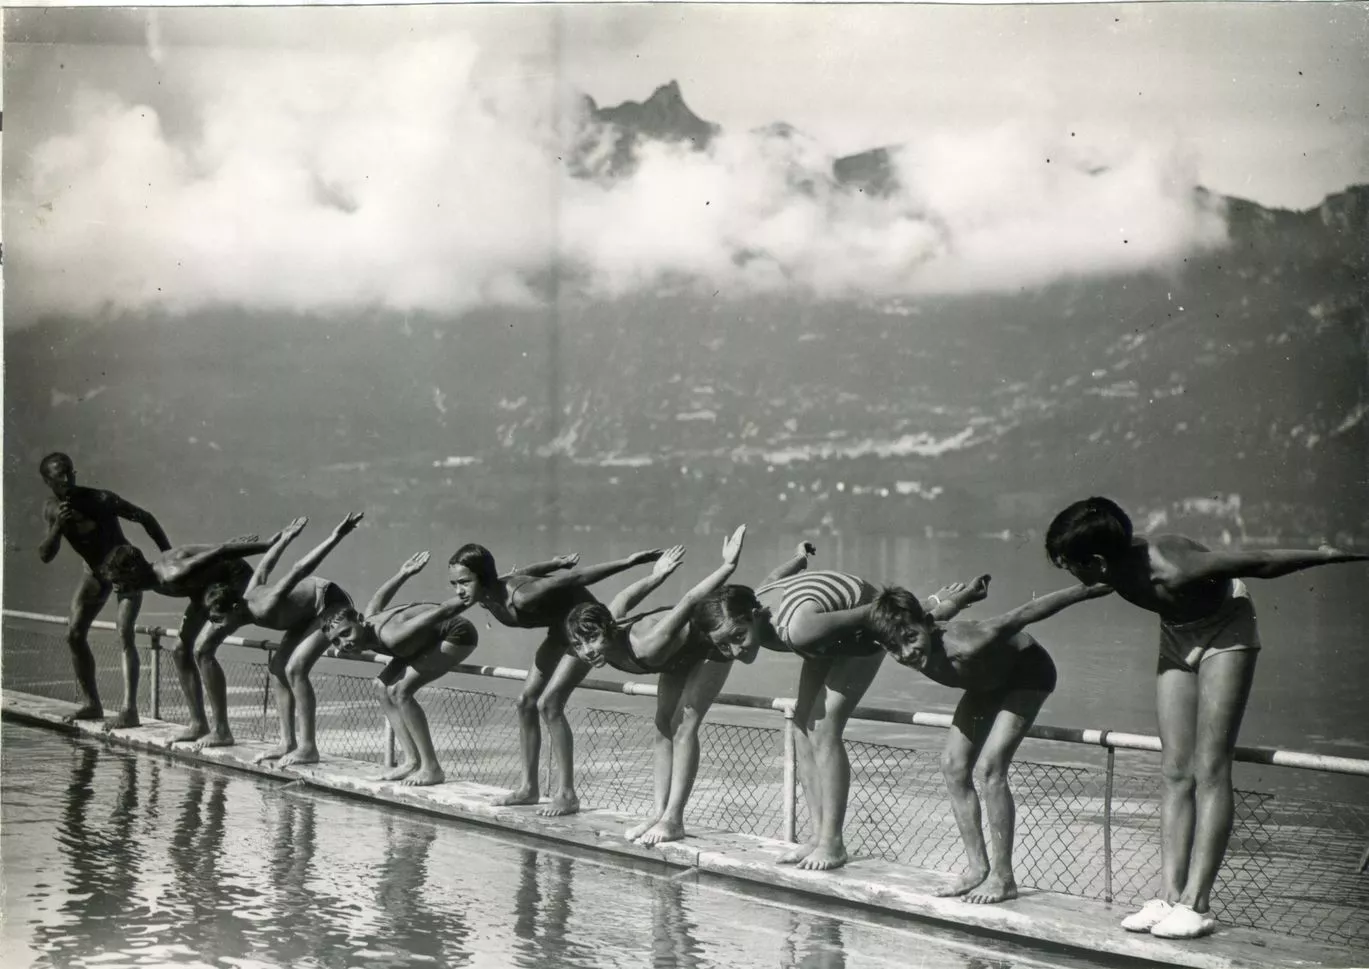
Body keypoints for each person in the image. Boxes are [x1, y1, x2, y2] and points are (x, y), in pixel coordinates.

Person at [1045, 496, 1369, 938]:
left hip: (1226, 628)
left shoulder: (1174, 564)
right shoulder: (1111, 569)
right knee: (1175, 770)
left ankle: (1195, 903)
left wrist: (1327, 556)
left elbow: (1258, 561)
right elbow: (1075, 594)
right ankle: (1168, 895)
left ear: (1097, 561)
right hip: (1175, 635)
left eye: (1070, 564)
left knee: (1211, 766)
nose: (1069, 572)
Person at [868, 576, 1112, 903]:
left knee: (990, 769)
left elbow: (1026, 612)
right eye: (895, 648)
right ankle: (975, 868)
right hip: (986, 682)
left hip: (1028, 672)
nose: (908, 652)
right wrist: (965, 594)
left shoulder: (969, 643)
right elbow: (937, 610)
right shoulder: (913, 631)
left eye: (911, 639)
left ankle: (1003, 877)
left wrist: (1089, 588)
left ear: (926, 625)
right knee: (953, 767)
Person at [746, 543, 978, 871]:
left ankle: (833, 843)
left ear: (749, 617)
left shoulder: (799, 628)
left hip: (862, 618)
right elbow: (775, 575)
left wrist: (938, 603)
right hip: (827, 626)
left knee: (824, 729)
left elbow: (877, 614)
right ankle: (816, 836)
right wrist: (799, 560)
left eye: (735, 637)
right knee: (801, 726)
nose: (733, 648)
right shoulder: (757, 600)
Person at [564, 526, 762, 845]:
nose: (587, 652)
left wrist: (727, 566)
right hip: (678, 657)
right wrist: (656, 576)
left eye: (593, 641)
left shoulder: (647, 643)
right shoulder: (606, 625)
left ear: (609, 630)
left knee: (684, 725)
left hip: (710, 644)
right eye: (579, 645)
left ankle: (674, 819)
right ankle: (658, 812)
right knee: (662, 725)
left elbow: (691, 599)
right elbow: (625, 596)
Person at [446, 543, 665, 816]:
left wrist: (629, 561)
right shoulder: (489, 592)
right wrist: (554, 563)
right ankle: (528, 789)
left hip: (584, 630)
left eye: (464, 582)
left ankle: (567, 794)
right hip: (559, 631)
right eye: (454, 583)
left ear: (483, 578)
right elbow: (527, 572)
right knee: (525, 702)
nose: (459, 590)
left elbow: (576, 579)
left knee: (549, 705)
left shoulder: (521, 597)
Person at [193, 512, 422, 768]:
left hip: (329, 602)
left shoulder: (264, 606)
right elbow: (266, 564)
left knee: (295, 668)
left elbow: (300, 568)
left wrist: (335, 537)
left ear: (235, 608)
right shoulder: (249, 594)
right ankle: (287, 742)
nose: (218, 627)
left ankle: (308, 747)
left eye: (219, 619)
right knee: (277, 668)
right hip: (304, 614)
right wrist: (286, 538)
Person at [37, 452, 172, 728]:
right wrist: (58, 528)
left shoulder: (100, 499)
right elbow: (45, 555)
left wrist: (168, 554)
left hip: (125, 569)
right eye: (60, 476)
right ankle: (91, 704)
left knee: (124, 634)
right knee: (74, 634)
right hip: (94, 573)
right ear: (47, 481)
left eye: (70, 472)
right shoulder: (52, 510)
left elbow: (145, 517)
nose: (67, 479)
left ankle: (129, 710)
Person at [99, 533, 272, 746]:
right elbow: (211, 547)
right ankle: (198, 724)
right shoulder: (157, 578)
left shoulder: (171, 574)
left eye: (118, 582)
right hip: (206, 590)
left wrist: (271, 544)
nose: (116, 589)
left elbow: (221, 552)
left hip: (234, 581)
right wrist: (234, 542)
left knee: (203, 651)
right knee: (180, 650)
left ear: (134, 572)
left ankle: (222, 730)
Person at [319, 559, 482, 787]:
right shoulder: (368, 621)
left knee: (401, 691)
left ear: (359, 621)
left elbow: (444, 610)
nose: (343, 644)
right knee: (380, 686)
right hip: (423, 642)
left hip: (456, 634)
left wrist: (482, 591)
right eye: (335, 641)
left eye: (345, 633)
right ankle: (411, 761)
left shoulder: (392, 636)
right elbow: (377, 601)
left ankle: (432, 768)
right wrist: (402, 574)